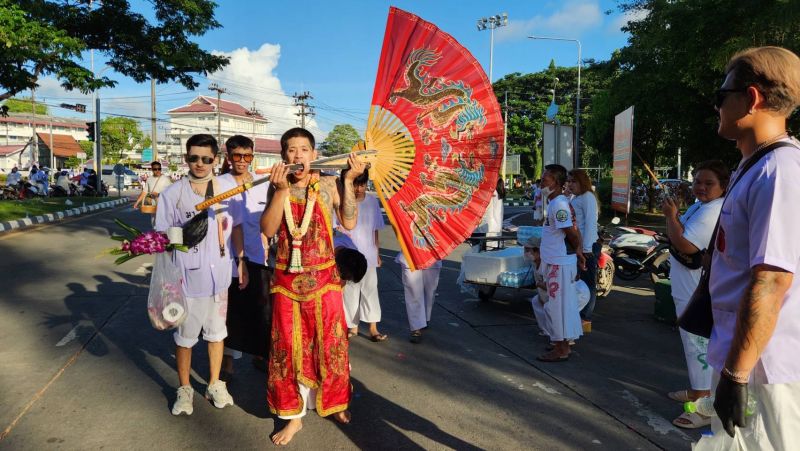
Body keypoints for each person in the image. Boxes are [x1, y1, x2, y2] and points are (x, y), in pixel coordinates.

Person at [699, 46, 800, 448]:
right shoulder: (754, 165)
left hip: (762, 370)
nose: (718, 106)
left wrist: (736, 376)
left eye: (721, 95)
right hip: (743, 358)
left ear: (752, 98)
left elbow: (772, 279)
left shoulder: (779, 172)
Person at [260, 128, 364, 445]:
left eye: (304, 149)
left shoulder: (329, 183)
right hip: (287, 285)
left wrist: (348, 181)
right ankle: (293, 418)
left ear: (314, 154)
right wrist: (279, 191)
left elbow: (348, 223)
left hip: (324, 282)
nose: (298, 155)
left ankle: (334, 402)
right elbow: (267, 229)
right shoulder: (276, 185)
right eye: (291, 150)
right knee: (287, 352)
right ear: (283, 156)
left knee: (331, 348)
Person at [154, 134, 246, 416]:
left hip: (219, 276)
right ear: (186, 158)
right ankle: (184, 389)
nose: (200, 164)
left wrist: (240, 262)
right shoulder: (173, 194)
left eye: (206, 159)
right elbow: (162, 236)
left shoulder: (227, 189)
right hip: (187, 279)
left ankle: (215, 383)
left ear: (215, 160)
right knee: (185, 337)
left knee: (217, 334)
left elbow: (238, 227)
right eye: (194, 158)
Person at [662, 160, 729, 429]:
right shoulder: (700, 206)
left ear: (723, 186)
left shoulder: (713, 211)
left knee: (697, 344)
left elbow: (686, 245)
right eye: (697, 181)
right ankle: (697, 389)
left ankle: (703, 404)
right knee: (691, 342)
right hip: (684, 283)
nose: (700, 187)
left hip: (695, 287)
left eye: (708, 183)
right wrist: (674, 217)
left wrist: (670, 216)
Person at [216, 135, 273, 382]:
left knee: (260, 309)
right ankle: (228, 360)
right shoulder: (218, 184)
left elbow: (270, 218)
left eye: (246, 156)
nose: (242, 161)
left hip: (257, 256)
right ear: (228, 157)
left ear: (253, 156)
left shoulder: (262, 184)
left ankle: (260, 354)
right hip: (227, 259)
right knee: (230, 312)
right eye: (236, 156)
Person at [537, 164, 585, 362]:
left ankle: (561, 348)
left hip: (560, 263)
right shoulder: (556, 202)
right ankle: (562, 345)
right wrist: (579, 252)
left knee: (557, 307)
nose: (541, 182)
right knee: (560, 306)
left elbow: (572, 233)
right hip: (557, 261)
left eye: (545, 179)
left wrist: (578, 251)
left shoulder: (558, 204)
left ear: (556, 183)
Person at [337, 168, 387, 342]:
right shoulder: (341, 200)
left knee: (370, 290)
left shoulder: (372, 201)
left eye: (363, 184)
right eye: (355, 185)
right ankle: (352, 326)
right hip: (349, 257)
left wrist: (377, 252)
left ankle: (373, 328)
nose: (359, 189)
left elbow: (375, 229)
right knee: (350, 291)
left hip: (369, 254)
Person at [567, 169, 600, 333]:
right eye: (569, 181)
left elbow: (590, 224)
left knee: (588, 283)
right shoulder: (575, 197)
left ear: (582, 182)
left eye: (574, 181)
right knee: (579, 282)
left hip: (588, 246)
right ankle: (580, 314)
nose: (570, 184)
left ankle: (586, 318)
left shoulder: (587, 197)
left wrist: (586, 249)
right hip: (578, 246)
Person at [396, 252, 442, 344]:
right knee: (413, 291)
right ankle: (416, 327)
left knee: (430, 291)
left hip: (432, 253)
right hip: (409, 254)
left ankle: (424, 318)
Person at [524, 236, 551, 338]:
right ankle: (546, 330)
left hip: (573, 293)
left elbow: (550, 286)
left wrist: (539, 284)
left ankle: (560, 337)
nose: (526, 253)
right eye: (525, 250)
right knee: (536, 301)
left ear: (538, 251)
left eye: (528, 250)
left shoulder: (547, 264)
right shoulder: (535, 263)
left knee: (549, 307)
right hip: (549, 292)